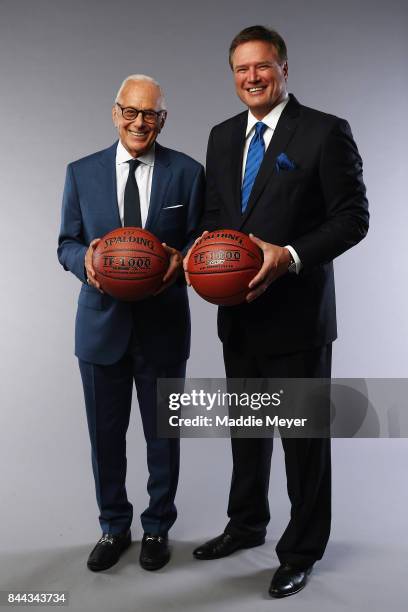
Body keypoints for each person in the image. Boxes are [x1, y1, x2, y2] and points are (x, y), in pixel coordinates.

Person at [186, 26, 369, 598]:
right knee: (246, 431)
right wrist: (200, 260)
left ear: (285, 69)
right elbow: (215, 218)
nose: (252, 78)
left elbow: (353, 217)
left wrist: (288, 256)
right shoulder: (220, 137)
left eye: (262, 67)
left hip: (297, 316)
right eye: (241, 69)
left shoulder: (323, 132)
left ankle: (301, 550)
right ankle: (246, 526)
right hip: (238, 313)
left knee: (302, 440)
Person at [58, 74, 204, 572]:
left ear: (163, 119)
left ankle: (158, 526)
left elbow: (200, 245)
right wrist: (88, 262)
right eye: (131, 112)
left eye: (151, 114)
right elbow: (66, 242)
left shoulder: (187, 173)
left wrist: (176, 261)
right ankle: (113, 526)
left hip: (163, 326)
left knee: (164, 436)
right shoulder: (81, 173)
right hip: (100, 328)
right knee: (105, 436)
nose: (140, 123)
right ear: (115, 111)